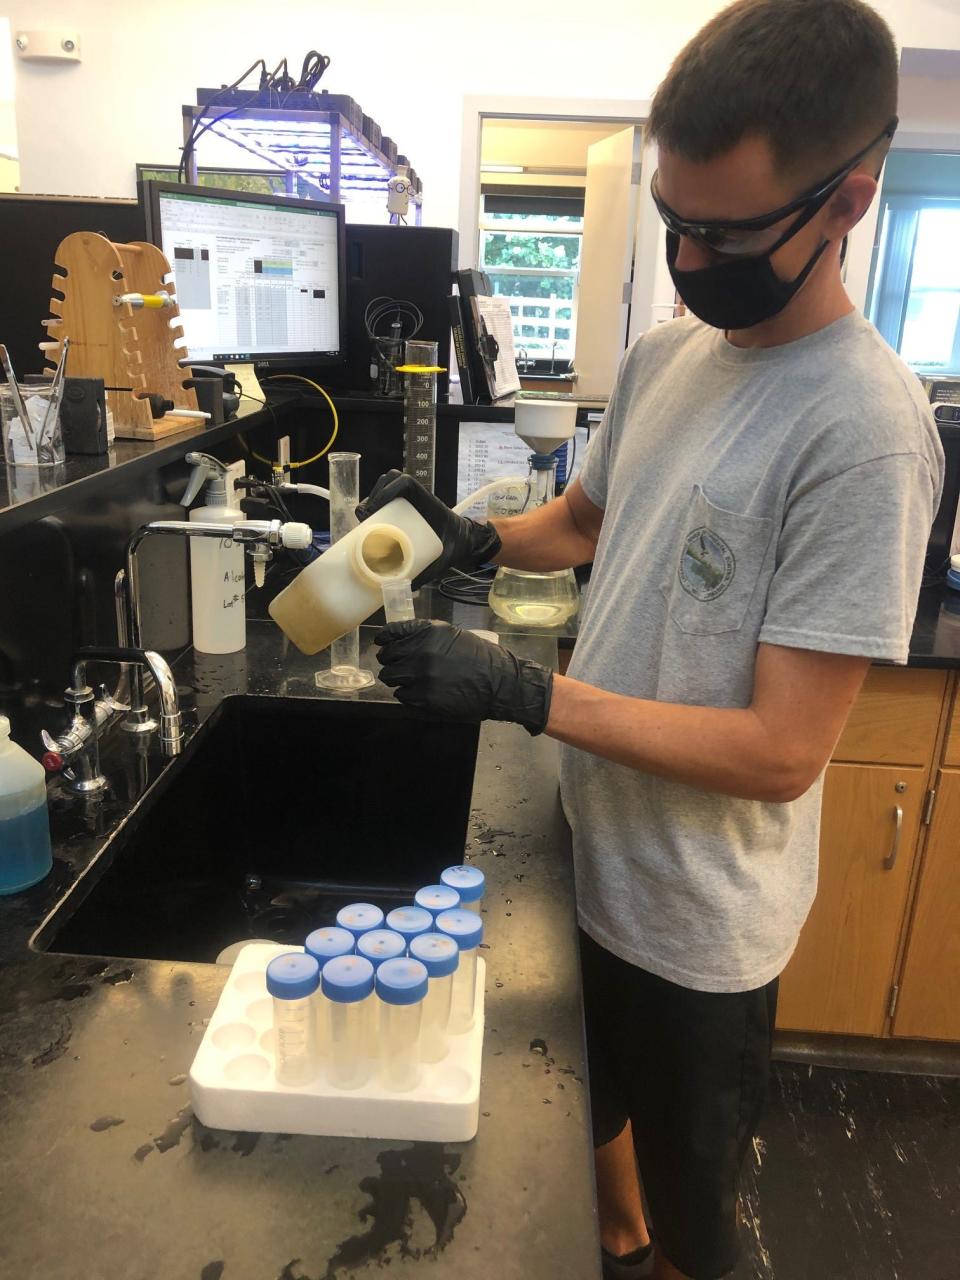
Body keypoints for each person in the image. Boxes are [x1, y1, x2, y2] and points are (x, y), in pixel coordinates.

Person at [359, 1, 945, 1275]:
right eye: (677, 220)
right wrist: (469, 536)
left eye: (724, 231)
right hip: (591, 848)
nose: (688, 254)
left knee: (697, 1227)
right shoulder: (673, 353)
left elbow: (784, 751)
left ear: (846, 204)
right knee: (591, 1129)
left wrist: (527, 692)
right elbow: (581, 520)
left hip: (696, 927)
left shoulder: (867, 427)